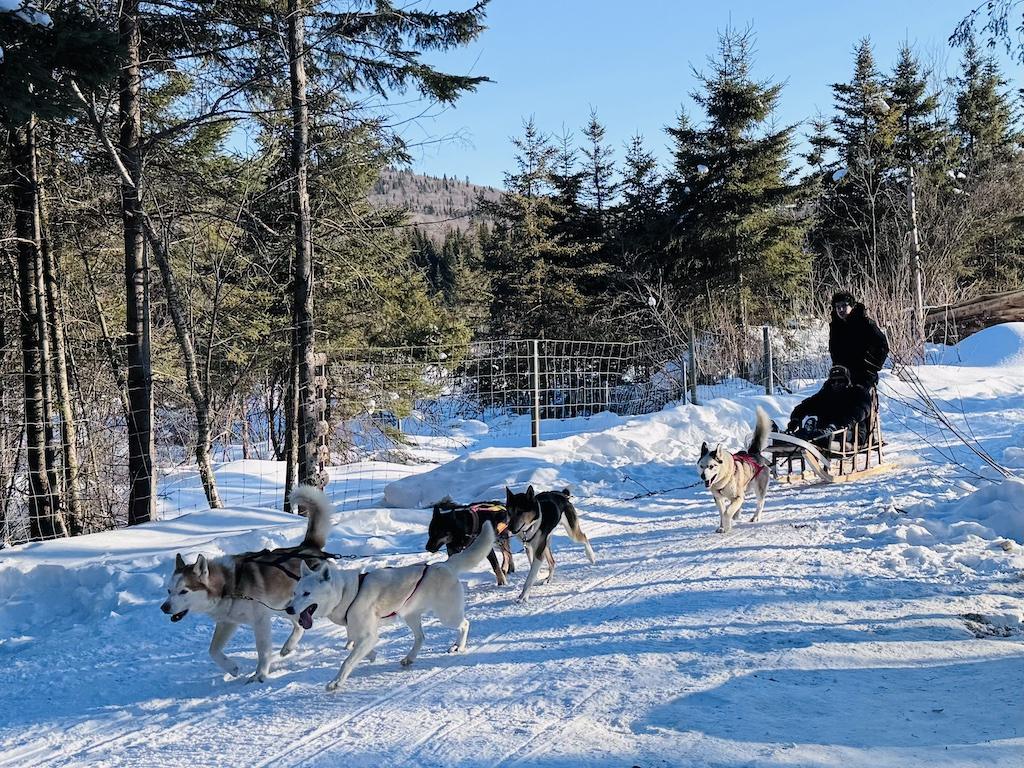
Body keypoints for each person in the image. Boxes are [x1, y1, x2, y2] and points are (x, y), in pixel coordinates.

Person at [786, 365, 873, 445]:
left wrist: (849, 421)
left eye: (840, 381)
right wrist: (795, 419)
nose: (836, 383)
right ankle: (791, 436)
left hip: (851, 431)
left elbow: (863, 409)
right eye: (833, 381)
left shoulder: (857, 393)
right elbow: (805, 406)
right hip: (823, 430)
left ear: (847, 381)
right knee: (809, 433)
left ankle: (820, 436)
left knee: (829, 435)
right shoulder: (826, 395)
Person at [829, 290, 889, 388]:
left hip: (864, 376)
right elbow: (834, 351)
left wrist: (871, 367)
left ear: (852, 306)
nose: (841, 309)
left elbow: (882, 346)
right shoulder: (835, 327)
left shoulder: (865, 323)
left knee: (859, 401)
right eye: (838, 307)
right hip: (842, 376)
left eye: (844, 306)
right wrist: (837, 369)